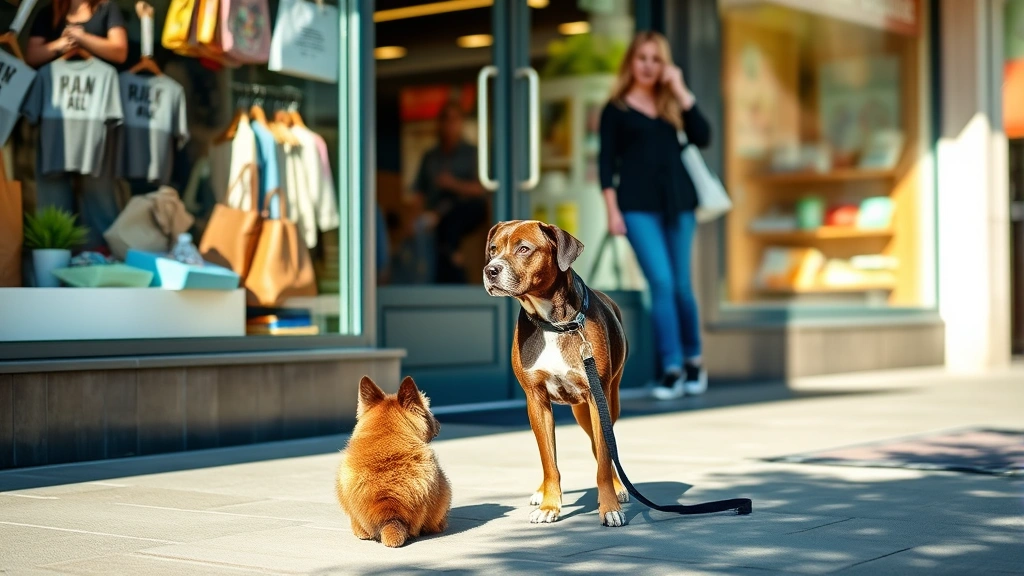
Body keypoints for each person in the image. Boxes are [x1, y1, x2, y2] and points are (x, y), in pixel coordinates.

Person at [598, 31, 712, 400]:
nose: (648, 65)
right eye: (642, 58)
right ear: (631, 61)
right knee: (661, 283)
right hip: (636, 207)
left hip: (679, 203)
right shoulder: (615, 109)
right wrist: (612, 212)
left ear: (664, 66)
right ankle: (672, 367)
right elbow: (605, 166)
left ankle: (694, 360)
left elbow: (704, 135)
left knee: (681, 284)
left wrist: (680, 89)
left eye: (656, 59)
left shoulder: (671, 104)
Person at [411, 102, 489, 284]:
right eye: (445, 119)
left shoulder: (472, 153)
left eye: (454, 119)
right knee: (436, 232)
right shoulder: (430, 156)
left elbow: (482, 189)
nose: (449, 124)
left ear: (461, 123)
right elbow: (419, 192)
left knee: (448, 220)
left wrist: (453, 184)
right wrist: (414, 218)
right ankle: (450, 274)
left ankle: (454, 278)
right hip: (434, 215)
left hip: (465, 210)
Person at [26, 0, 128, 68]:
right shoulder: (48, 12)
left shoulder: (107, 8)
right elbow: (32, 57)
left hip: (95, 88)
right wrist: (60, 44)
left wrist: (82, 38)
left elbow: (120, 53)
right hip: (55, 89)